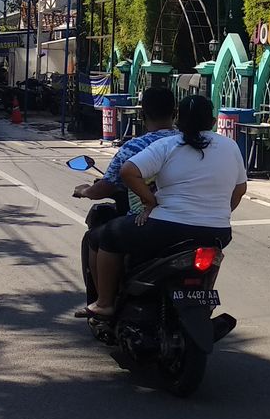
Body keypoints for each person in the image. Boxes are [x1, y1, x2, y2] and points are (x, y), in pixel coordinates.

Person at [86, 94, 247, 318]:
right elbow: (240, 189)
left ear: (178, 120)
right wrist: (220, 213)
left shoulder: (167, 145)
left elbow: (128, 172)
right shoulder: (230, 146)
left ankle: (104, 303)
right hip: (218, 232)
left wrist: (150, 201)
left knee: (106, 236)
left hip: (167, 229)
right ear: (212, 122)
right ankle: (203, 299)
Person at [73, 87, 178, 298]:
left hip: (148, 221)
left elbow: (107, 185)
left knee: (98, 238)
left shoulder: (135, 147)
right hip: (190, 220)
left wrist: (85, 191)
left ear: (143, 114)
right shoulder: (188, 142)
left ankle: (104, 302)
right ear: (175, 113)